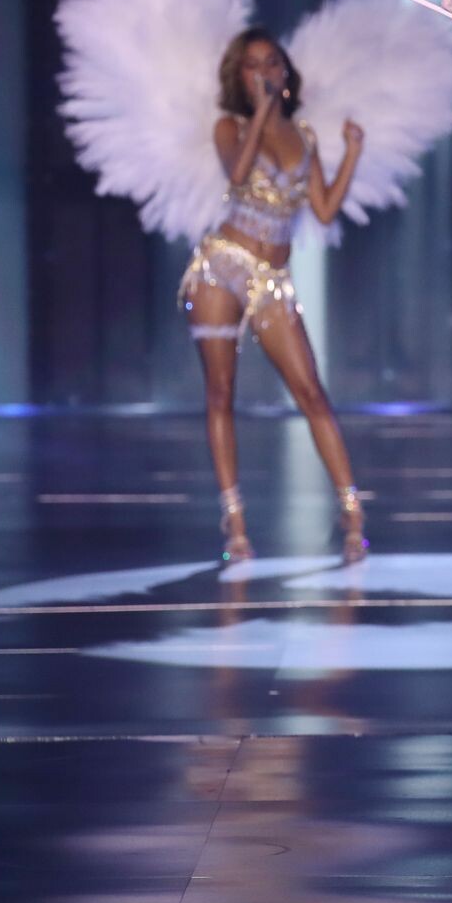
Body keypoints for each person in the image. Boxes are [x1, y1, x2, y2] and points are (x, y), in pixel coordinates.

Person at [182, 29, 368, 563]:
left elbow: (324, 211)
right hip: (221, 267)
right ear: (239, 76)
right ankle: (235, 522)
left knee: (311, 391)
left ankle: (352, 512)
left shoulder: (303, 137)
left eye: (271, 62)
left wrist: (353, 153)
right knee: (221, 391)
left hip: (272, 278)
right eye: (252, 65)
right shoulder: (230, 128)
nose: (263, 72)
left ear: (285, 71)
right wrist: (262, 113)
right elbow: (238, 174)